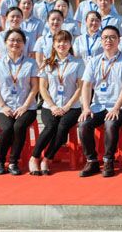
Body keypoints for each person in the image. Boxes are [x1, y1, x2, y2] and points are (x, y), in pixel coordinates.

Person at [77, 25, 122, 178]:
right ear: (101, 41)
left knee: (110, 123)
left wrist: (116, 108)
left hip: (121, 106)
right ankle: (92, 160)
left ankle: (108, 160)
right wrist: (86, 107)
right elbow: (86, 85)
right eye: (105, 38)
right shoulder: (94, 61)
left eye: (112, 37)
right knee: (83, 124)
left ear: (118, 40)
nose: (108, 40)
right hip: (98, 106)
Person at [29, 30, 84, 175]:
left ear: (70, 44)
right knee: (51, 126)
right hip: (50, 106)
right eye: (59, 41)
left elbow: (80, 87)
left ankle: (47, 158)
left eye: (65, 41)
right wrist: (53, 106)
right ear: (53, 44)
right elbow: (42, 88)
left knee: (63, 126)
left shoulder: (78, 63)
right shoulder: (47, 63)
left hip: (72, 107)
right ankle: (34, 157)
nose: (62, 44)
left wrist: (67, 106)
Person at [0, 29, 39, 175]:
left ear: (24, 44)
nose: (15, 43)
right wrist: (3, 106)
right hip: (4, 107)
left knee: (19, 126)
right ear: (5, 43)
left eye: (19, 40)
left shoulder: (31, 63)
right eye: (12, 40)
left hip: (27, 107)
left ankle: (13, 162)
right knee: (7, 128)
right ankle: (0, 161)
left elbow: (35, 87)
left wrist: (25, 106)